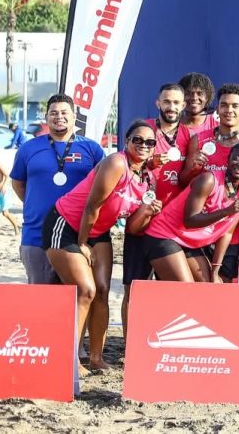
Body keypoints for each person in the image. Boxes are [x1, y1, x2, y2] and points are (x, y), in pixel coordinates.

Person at [42, 120, 158, 371]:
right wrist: (83, 243)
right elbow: (91, 206)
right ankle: (70, 360)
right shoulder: (117, 163)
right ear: (126, 141)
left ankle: (95, 358)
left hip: (97, 231)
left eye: (149, 142)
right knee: (86, 290)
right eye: (137, 139)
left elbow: (134, 227)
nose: (143, 145)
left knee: (103, 290)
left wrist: (148, 212)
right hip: (67, 225)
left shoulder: (147, 179)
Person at [10, 94, 105, 284]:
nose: (58, 116)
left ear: (74, 116)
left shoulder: (91, 149)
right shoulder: (28, 149)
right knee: (41, 299)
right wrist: (36, 205)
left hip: (75, 236)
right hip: (36, 235)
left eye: (64, 112)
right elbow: (18, 184)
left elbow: (103, 187)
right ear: (46, 118)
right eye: (53, 113)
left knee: (76, 298)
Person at [123, 83, 192, 335]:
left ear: (183, 106)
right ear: (158, 103)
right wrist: (148, 163)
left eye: (176, 103)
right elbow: (125, 163)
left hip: (171, 226)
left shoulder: (189, 136)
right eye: (167, 102)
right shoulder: (145, 131)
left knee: (169, 289)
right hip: (141, 220)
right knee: (134, 287)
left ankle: (162, 340)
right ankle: (131, 345)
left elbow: (189, 177)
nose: (171, 107)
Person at [143, 144, 239, 282]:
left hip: (187, 243)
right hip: (164, 235)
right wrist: (227, 211)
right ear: (227, 160)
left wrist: (215, 270)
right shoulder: (208, 180)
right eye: (236, 159)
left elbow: (226, 233)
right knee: (187, 287)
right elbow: (190, 221)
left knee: (208, 285)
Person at [180, 83, 239, 281]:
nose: (229, 110)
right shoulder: (200, 140)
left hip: (228, 232)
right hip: (198, 228)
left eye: (234, 106)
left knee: (221, 288)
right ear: (217, 109)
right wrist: (193, 168)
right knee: (194, 287)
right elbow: (182, 182)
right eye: (224, 105)